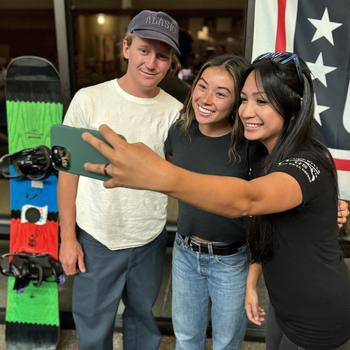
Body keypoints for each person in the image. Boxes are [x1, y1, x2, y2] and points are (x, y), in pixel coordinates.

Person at [83, 52, 350, 349]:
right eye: (245, 100)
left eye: (261, 101)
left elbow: (247, 200)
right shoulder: (267, 154)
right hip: (282, 308)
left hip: (320, 315)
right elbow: (270, 225)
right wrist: (254, 282)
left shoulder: (305, 161)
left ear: (292, 107)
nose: (248, 111)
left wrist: (159, 176)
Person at [57, 10, 182, 350]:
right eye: (144, 50)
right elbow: (67, 172)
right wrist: (68, 238)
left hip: (149, 236)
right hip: (97, 236)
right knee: (93, 324)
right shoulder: (89, 99)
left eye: (162, 55)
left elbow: (181, 176)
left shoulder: (174, 112)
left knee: (143, 320)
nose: (151, 62)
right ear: (126, 47)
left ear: (170, 63)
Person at [165, 53, 251, 350]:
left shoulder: (249, 145)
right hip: (185, 252)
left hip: (231, 260)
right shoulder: (179, 131)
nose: (206, 98)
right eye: (202, 86)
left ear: (237, 102)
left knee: (227, 342)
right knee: (187, 338)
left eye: (221, 93)